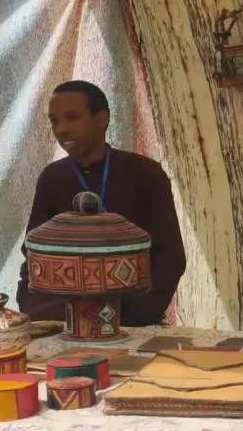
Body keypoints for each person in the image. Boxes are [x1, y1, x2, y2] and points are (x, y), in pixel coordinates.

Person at [16, 80, 186, 326]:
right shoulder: (52, 178)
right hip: (62, 324)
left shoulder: (145, 174)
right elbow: (33, 253)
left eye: (72, 117)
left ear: (101, 119)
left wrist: (130, 318)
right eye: (54, 120)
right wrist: (37, 312)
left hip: (131, 323)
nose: (61, 129)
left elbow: (169, 258)